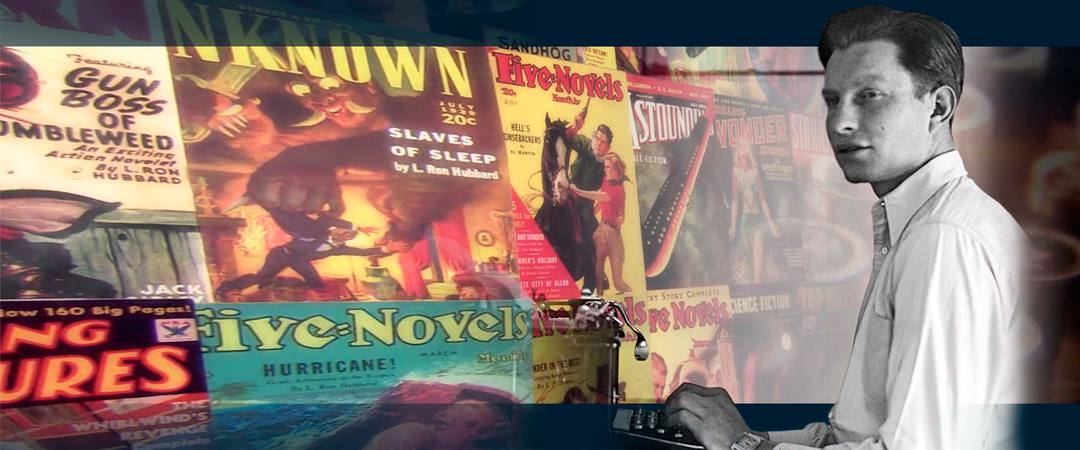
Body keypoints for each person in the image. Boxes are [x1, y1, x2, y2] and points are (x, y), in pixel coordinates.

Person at [663, 6, 1030, 449]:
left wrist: (742, 446)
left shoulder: (942, 239)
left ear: (937, 107)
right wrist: (751, 438)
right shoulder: (943, 220)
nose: (840, 123)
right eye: (834, 100)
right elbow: (865, 433)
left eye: (870, 95)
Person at [571, 152, 632, 295]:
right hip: (602, 229)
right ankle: (599, 299)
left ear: (616, 170)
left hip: (614, 235)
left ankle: (632, 299)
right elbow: (601, 198)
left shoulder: (618, 190)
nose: (605, 170)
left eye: (608, 167)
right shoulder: (606, 179)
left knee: (618, 283)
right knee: (597, 273)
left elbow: (599, 196)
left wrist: (577, 191)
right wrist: (593, 210)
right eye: (605, 167)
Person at [729, 144, 782, 284]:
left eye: (745, 146)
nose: (743, 149)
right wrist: (733, 226)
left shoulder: (755, 172)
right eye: (740, 147)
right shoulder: (735, 172)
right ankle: (756, 284)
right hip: (745, 219)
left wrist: (771, 225)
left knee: (758, 239)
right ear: (737, 152)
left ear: (748, 151)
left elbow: (763, 200)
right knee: (750, 253)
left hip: (758, 218)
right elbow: (734, 201)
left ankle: (758, 284)